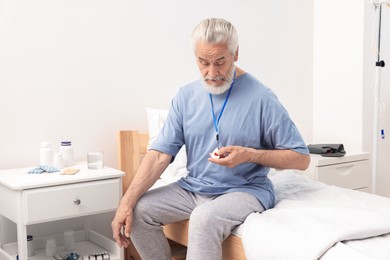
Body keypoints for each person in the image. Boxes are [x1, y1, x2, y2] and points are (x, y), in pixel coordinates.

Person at [112, 18, 310, 260]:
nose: (212, 73)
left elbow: (301, 159)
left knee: (203, 218)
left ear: (236, 54)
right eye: (203, 62)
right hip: (194, 188)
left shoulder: (262, 98)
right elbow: (159, 156)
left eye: (220, 62)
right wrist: (126, 202)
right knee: (140, 210)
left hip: (245, 190)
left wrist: (250, 155)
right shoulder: (186, 96)